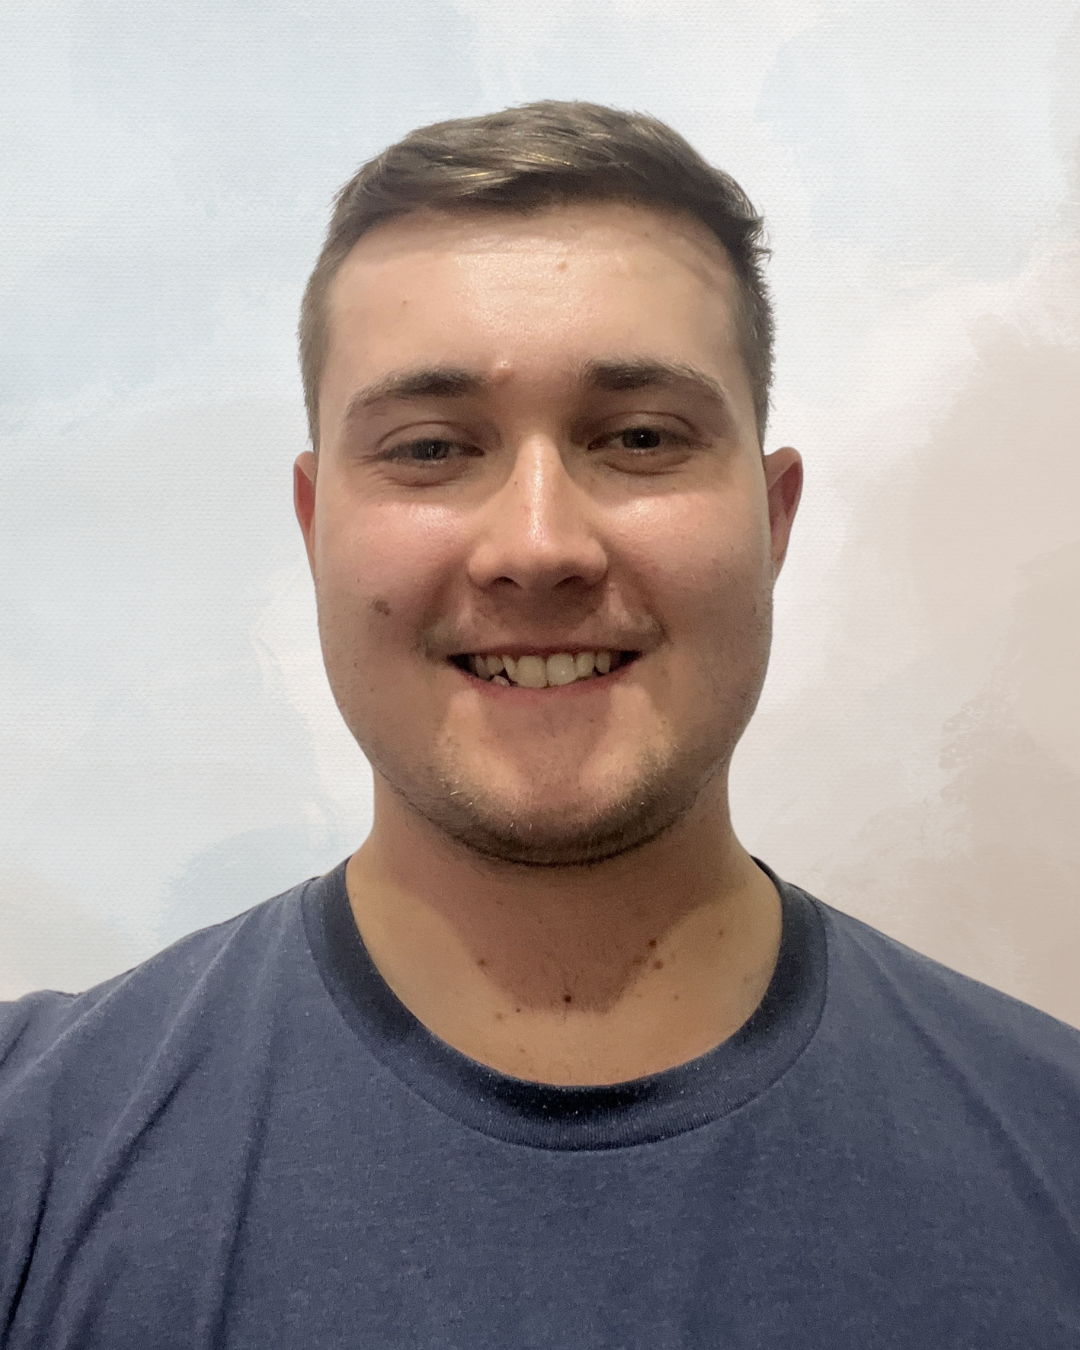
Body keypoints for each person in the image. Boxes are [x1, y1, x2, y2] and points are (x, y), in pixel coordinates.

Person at [1, 100, 1078, 1349]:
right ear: (314, 525)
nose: (538, 547)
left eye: (637, 437)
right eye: (429, 448)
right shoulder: (33, 1149)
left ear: (773, 521)